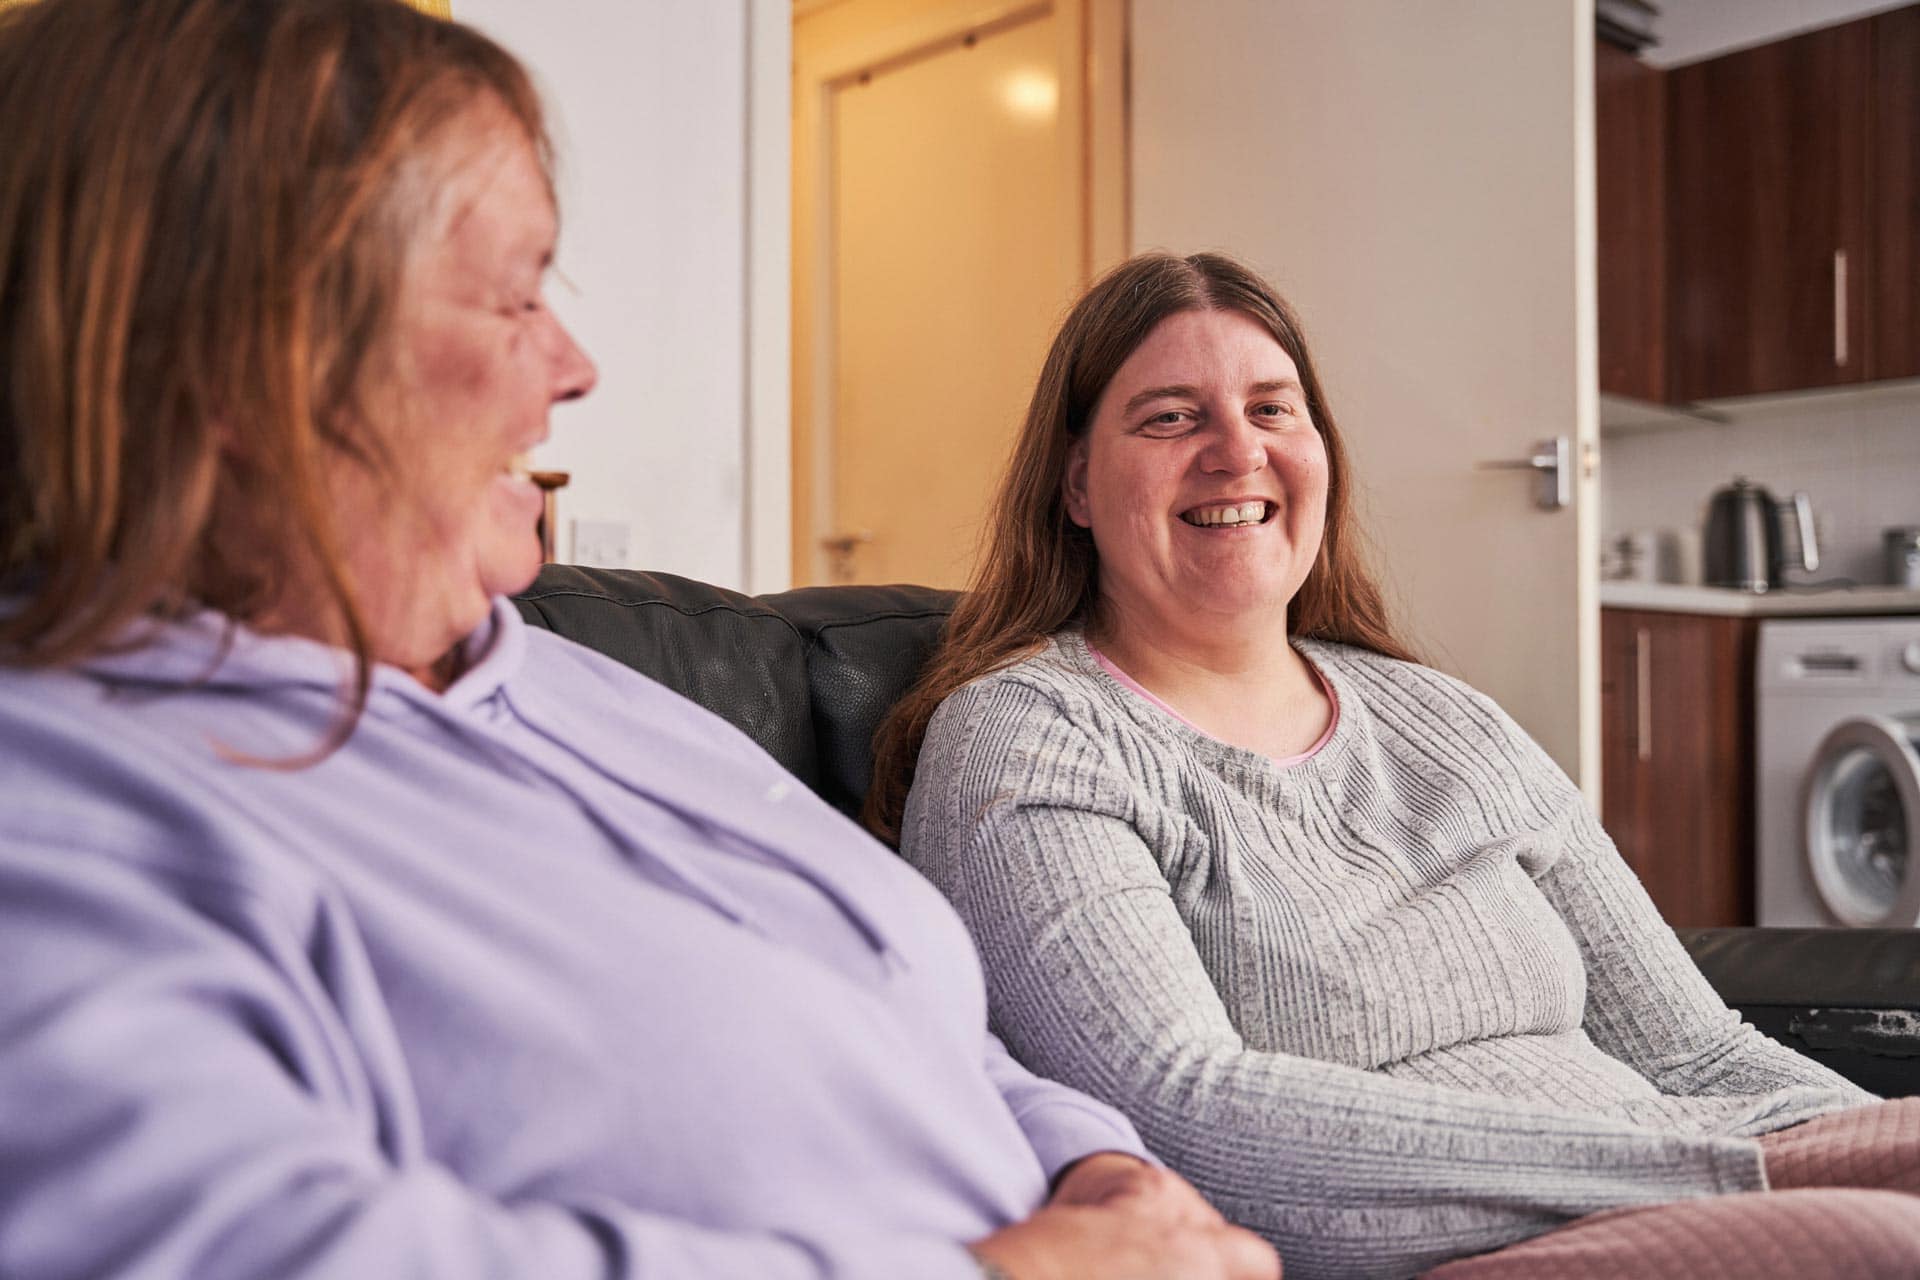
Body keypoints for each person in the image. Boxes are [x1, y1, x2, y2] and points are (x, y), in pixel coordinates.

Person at [0, 4, 1282, 1278]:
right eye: (512, 297)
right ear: (234, 357)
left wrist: (1098, 1169)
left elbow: (931, 1027)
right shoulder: (61, 791)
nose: (574, 365)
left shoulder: (569, 680)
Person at [872, 251, 1920, 1280]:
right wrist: (1720, 1170)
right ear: (1077, 484)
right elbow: (1179, 1105)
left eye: (1274, 409)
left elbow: (1698, 1053)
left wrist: (1857, 1141)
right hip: (1477, 1238)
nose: (1237, 452)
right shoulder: (1029, 736)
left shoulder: (1443, 715)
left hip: (1678, 1173)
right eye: (1170, 416)